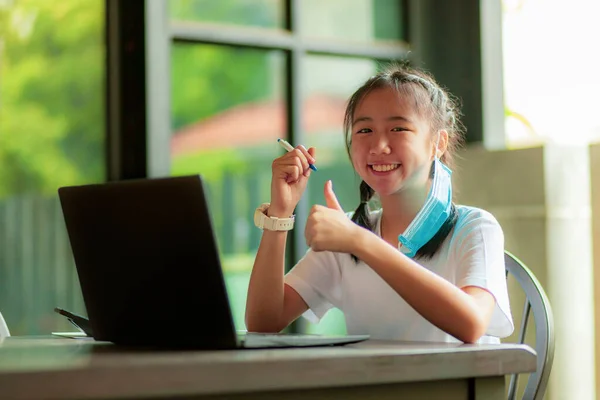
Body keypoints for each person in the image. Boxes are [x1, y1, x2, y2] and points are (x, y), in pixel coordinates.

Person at [245, 64, 513, 344]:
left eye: (398, 128)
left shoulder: (475, 228)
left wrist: (360, 242)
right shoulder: (347, 235)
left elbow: (471, 324)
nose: (378, 145)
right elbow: (264, 321)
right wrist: (280, 214)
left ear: (438, 143)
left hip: (453, 388)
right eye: (364, 131)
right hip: (372, 387)